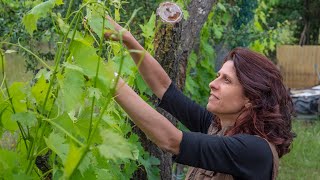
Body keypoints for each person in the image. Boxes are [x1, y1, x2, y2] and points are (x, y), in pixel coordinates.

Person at [105, 16, 295, 180]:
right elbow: (164, 88)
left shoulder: (254, 150)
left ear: (251, 98)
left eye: (226, 80)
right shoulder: (217, 128)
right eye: (217, 76)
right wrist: (128, 39)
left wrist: (107, 77)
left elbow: (170, 140)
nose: (213, 83)